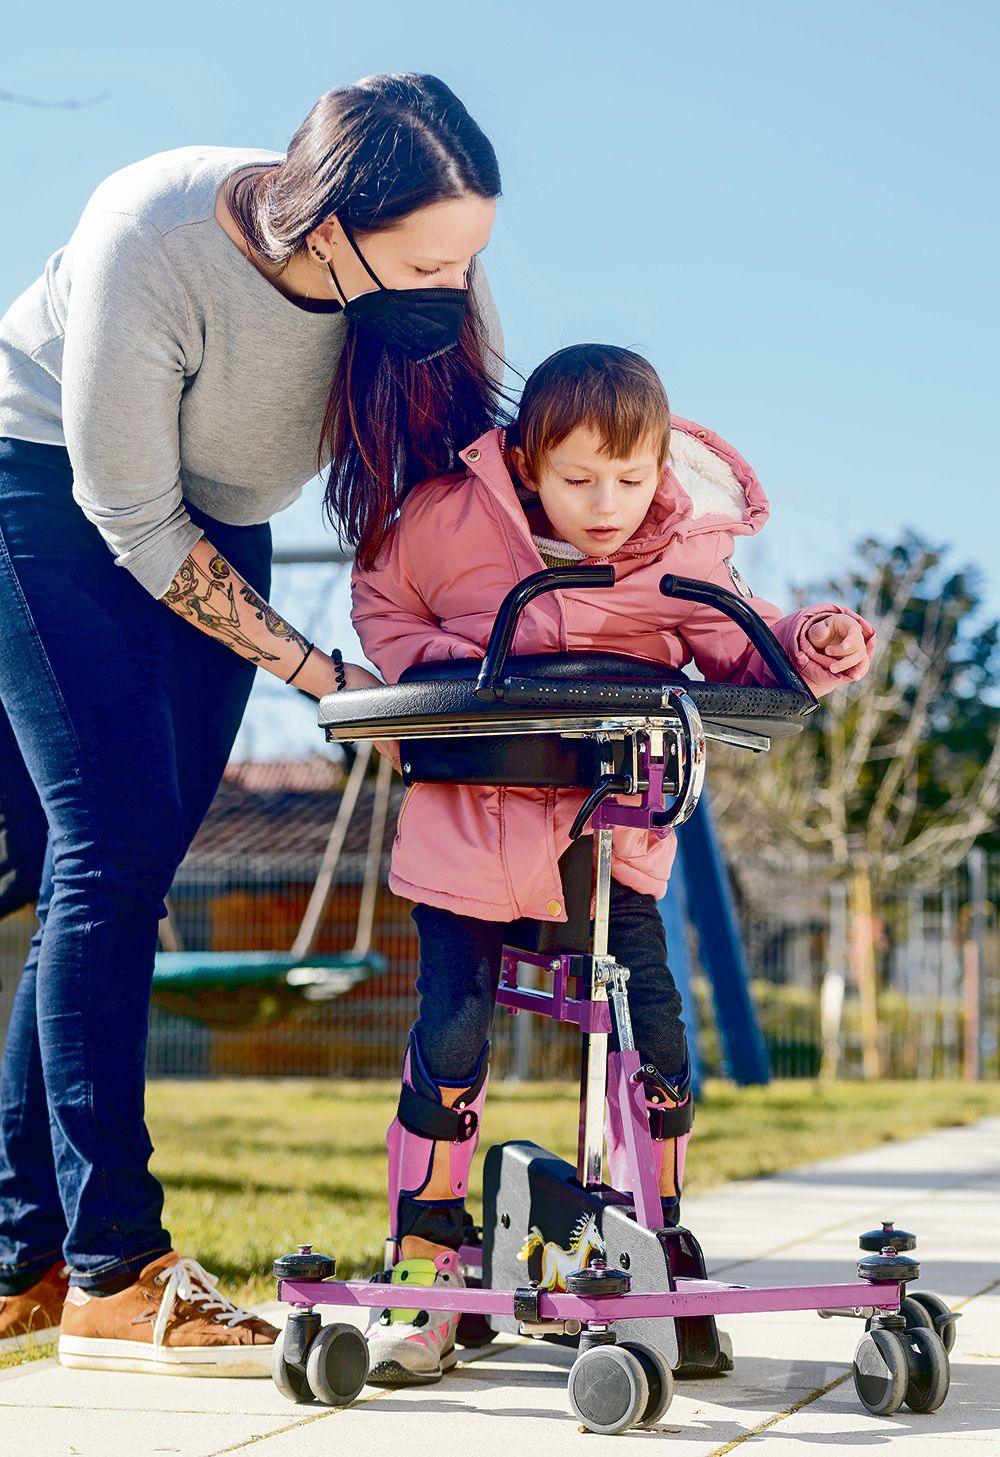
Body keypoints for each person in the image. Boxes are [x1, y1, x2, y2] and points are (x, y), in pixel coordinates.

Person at [0, 72, 505, 1375]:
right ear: (328, 224)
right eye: (428, 260)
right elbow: (132, 518)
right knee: (106, 851)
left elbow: (480, 459)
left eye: (469, 258)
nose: (449, 287)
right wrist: (316, 671)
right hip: (49, 494)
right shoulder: (154, 235)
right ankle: (116, 1266)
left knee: (107, 871)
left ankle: (25, 1253)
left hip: (218, 519)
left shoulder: (406, 281)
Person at [350, 342, 875, 1386]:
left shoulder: (679, 549)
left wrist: (809, 640)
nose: (607, 503)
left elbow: (740, 646)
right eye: (578, 477)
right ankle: (429, 1250)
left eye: (629, 478)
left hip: (611, 837)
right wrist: (451, 673)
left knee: (653, 1036)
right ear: (528, 460)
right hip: (469, 830)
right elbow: (382, 604)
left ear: (659, 467)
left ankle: (652, 1238)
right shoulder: (450, 520)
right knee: (453, 1024)